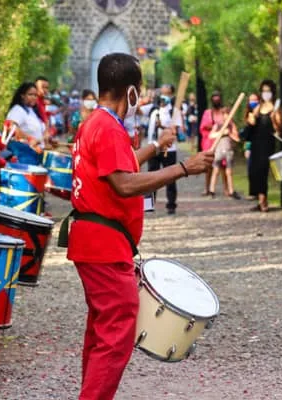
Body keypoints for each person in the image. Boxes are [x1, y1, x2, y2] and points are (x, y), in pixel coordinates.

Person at [62, 52, 214, 400]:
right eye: (139, 91)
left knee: (102, 332)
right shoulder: (108, 127)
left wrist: (156, 147)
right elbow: (124, 183)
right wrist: (183, 169)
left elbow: (114, 166)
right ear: (130, 92)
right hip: (104, 244)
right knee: (116, 335)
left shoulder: (94, 122)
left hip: (95, 241)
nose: (140, 97)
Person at [245, 80, 281, 212]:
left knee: (263, 171)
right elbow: (250, 123)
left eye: (268, 91)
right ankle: (260, 200)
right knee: (254, 172)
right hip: (255, 143)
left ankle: (264, 201)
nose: (266, 93)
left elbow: (278, 129)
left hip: (267, 145)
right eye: (264, 91)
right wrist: (251, 118)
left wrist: (273, 118)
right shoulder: (258, 107)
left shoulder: (276, 108)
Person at [147, 89, 182, 213]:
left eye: (166, 95)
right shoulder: (153, 110)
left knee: (170, 177)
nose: (163, 99)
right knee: (151, 177)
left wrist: (162, 126)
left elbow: (175, 131)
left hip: (168, 148)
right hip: (153, 148)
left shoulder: (174, 112)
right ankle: (148, 205)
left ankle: (171, 205)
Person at [207, 93, 241, 200]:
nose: (225, 116)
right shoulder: (218, 125)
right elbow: (211, 135)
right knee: (216, 169)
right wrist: (220, 133)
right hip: (218, 150)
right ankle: (211, 190)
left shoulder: (231, 126)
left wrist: (229, 133)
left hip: (228, 150)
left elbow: (237, 138)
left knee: (229, 171)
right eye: (224, 114)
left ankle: (231, 190)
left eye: (227, 114)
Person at [199, 91, 230, 196]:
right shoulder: (208, 113)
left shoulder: (224, 112)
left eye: (218, 97)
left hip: (222, 141)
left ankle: (227, 188)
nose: (216, 99)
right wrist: (214, 127)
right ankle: (207, 188)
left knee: (224, 166)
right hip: (209, 142)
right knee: (209, 166)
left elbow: (229, 125)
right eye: (214, 97)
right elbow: (203, 127)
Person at [7, 82, 48, 151]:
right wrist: (30, 139)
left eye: (35, 95)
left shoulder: (32, 111)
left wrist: (46, 139)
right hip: (23, 153)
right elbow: (11, 128)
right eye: (30, 94)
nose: (34, 97)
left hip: (36, 153)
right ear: (22, 95)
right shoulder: (18, 109)